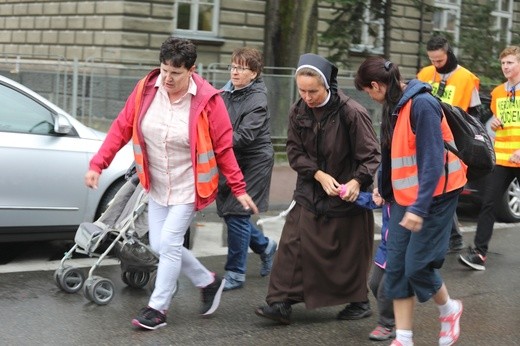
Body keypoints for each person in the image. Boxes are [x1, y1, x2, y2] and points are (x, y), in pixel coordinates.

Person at [84, 37, 258, 330]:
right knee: (158, 243)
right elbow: (121, 127)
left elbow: (223, 147)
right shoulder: (145, 90)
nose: (168, 78)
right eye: (164, 69)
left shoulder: (208, 100)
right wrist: (97, 164)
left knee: (171, 243)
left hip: (189, 184)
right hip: (157, 183)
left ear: (192, 69)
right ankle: (208, 281)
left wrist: (239, 188)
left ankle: (158, 308)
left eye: (175, 73)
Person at [254, 53, 381, 325]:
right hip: (309, 192)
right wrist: (319, 175)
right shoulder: (298, 110)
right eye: (302, 90)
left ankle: (359, 301)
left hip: (345, 196)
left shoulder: (351, 112)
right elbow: (294, 152)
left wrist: (357, 182)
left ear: (327, 86)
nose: (307, 97)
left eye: (313, 91)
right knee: (292, 247)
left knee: (347, 255)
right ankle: (279, 303)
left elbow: (371, 156)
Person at [355, 56, 465, 346]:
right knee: (396, 266)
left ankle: (449, 309)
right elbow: (391, 153)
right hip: (408, 195)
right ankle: (403, 338)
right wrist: (383, 188)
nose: (370, 96)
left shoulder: (422, 106)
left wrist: (418, 208)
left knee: (417, 265)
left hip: (438, 194)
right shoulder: (394, 105)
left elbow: (432, 162)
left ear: (377, 85)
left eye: (368, 91)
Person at [217, 47, 277, 291]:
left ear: (254, 74)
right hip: (230, 159)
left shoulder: (257, 99)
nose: (235, 72)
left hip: (254, 160)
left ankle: (235, 272)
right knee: (229, 212)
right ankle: (265, 246)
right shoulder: (224, 93)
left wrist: (211, 142)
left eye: (241, 68)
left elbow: (243, 137)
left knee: (237, 212)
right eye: (233, 66)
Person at [417, 35, 482, 252]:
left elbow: (475, 115)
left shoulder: (466, 78)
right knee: (436, 186)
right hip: (427, 137)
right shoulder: (425, 74)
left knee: (447, 186)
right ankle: (449, 236)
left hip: (455, 142)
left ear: (449, 53)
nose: (435, 65)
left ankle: (453, 238)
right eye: (432, 60)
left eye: (439, 60)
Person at [459, 46, 520, 271]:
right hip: (502, 158)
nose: (505, 67)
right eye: (503, 63)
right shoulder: (497, 93)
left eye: (510, 63)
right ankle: (479, 254)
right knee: (488, 203)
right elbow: (498, 118)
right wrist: (494, 122)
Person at [367, 187, 396, 341]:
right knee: (375, 284)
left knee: (386, 289)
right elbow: (373, 200)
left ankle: (386, 325)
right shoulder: (387, 166)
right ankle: (395, 315)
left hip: (400, 245)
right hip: (386, 247)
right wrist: (346, 193)